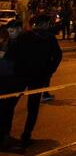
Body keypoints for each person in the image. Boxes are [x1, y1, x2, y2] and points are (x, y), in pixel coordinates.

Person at [4, 15, 63, 148]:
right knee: (33, 108)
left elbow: (10, 56)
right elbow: (58, 56)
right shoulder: (50, 38)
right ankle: (26, 135)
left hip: (20, 76)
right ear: (46, 24)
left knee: (10, 105)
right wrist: (49, 71)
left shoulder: (23, 36)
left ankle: (6, 134)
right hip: (39, 77)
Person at [0, 22, 23, 150]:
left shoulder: (11, 44)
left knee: (7, 111)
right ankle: (4, 140)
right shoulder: (8, 45)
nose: (10, 34)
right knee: (5, 111)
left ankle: (5, 137)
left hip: (9, 83)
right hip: (6, 83)